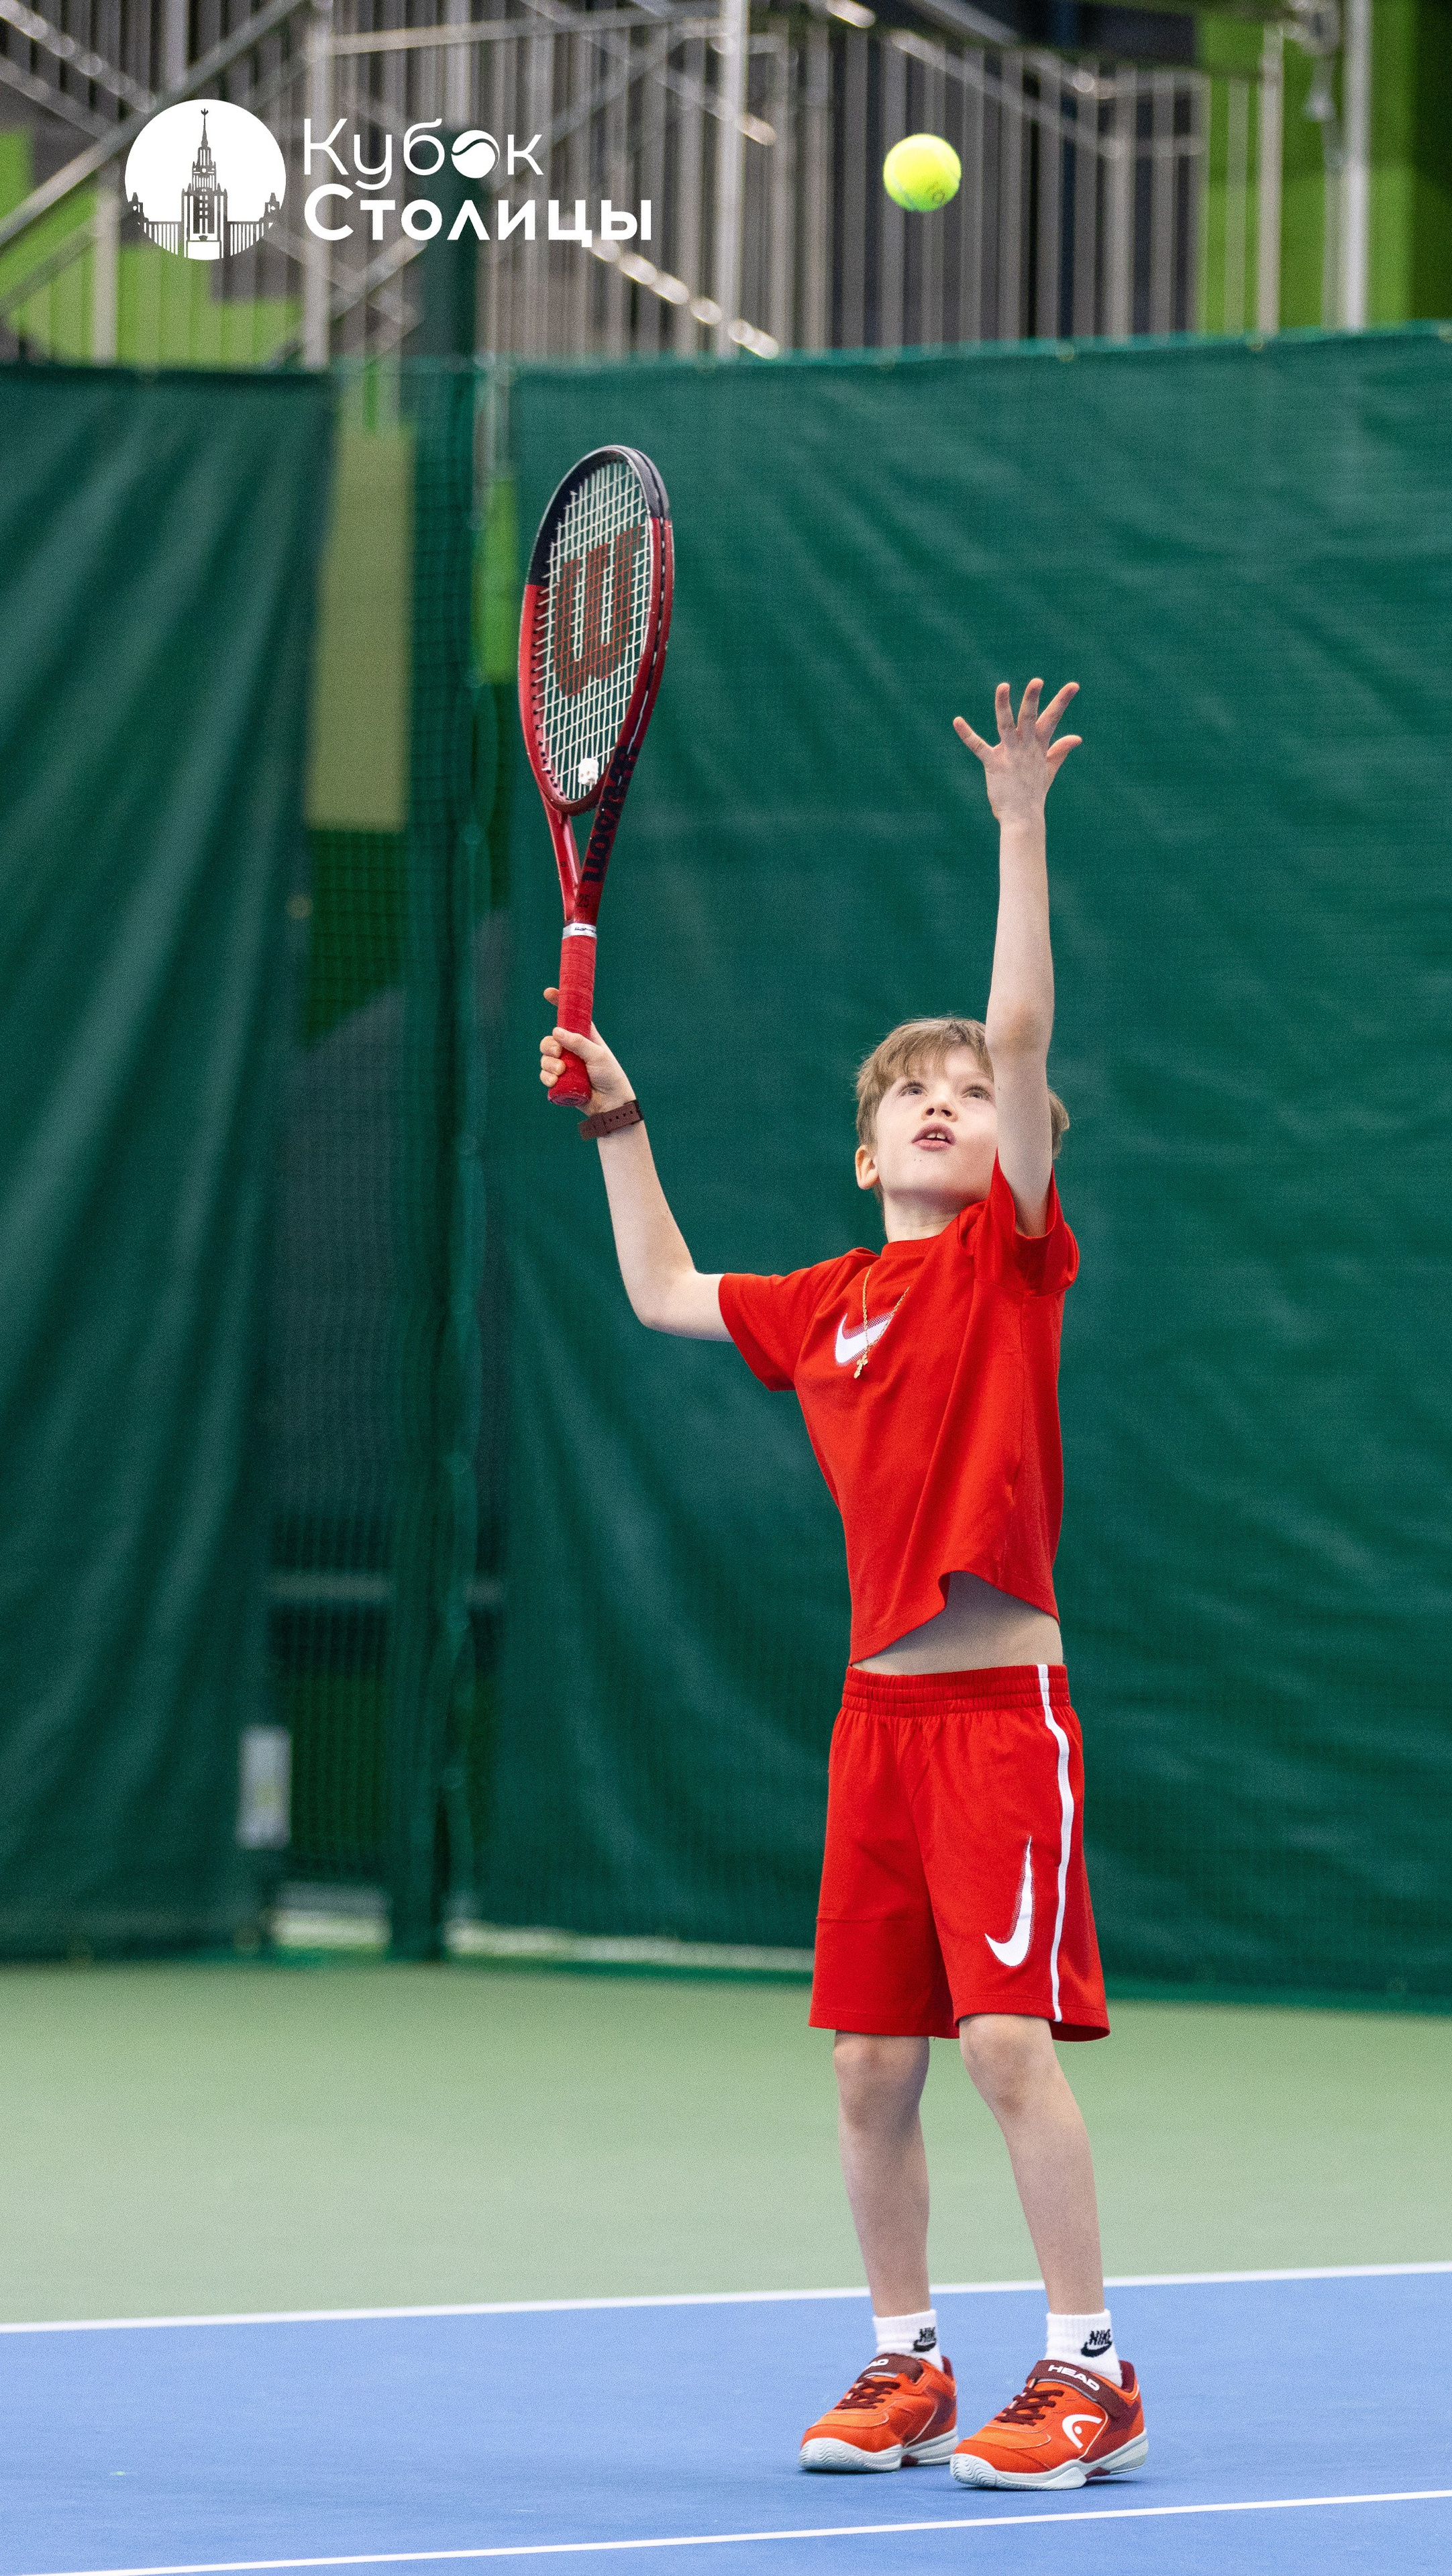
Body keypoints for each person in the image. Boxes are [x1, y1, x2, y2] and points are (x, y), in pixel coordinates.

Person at [539, 677, 1146, 2493]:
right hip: (877, 1722)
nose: (956, 1103)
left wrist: (1020, 829)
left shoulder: (1007, 1266)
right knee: (869, 2073)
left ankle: (1090, 2366)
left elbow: (1025, 1027)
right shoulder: (826, 1307)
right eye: (919, 1097)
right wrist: (618, 1121)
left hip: (996, 1719)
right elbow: (663, 1292)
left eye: (976, 1094)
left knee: (1005, 2050)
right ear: (867, 1150)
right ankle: (906, 2365)